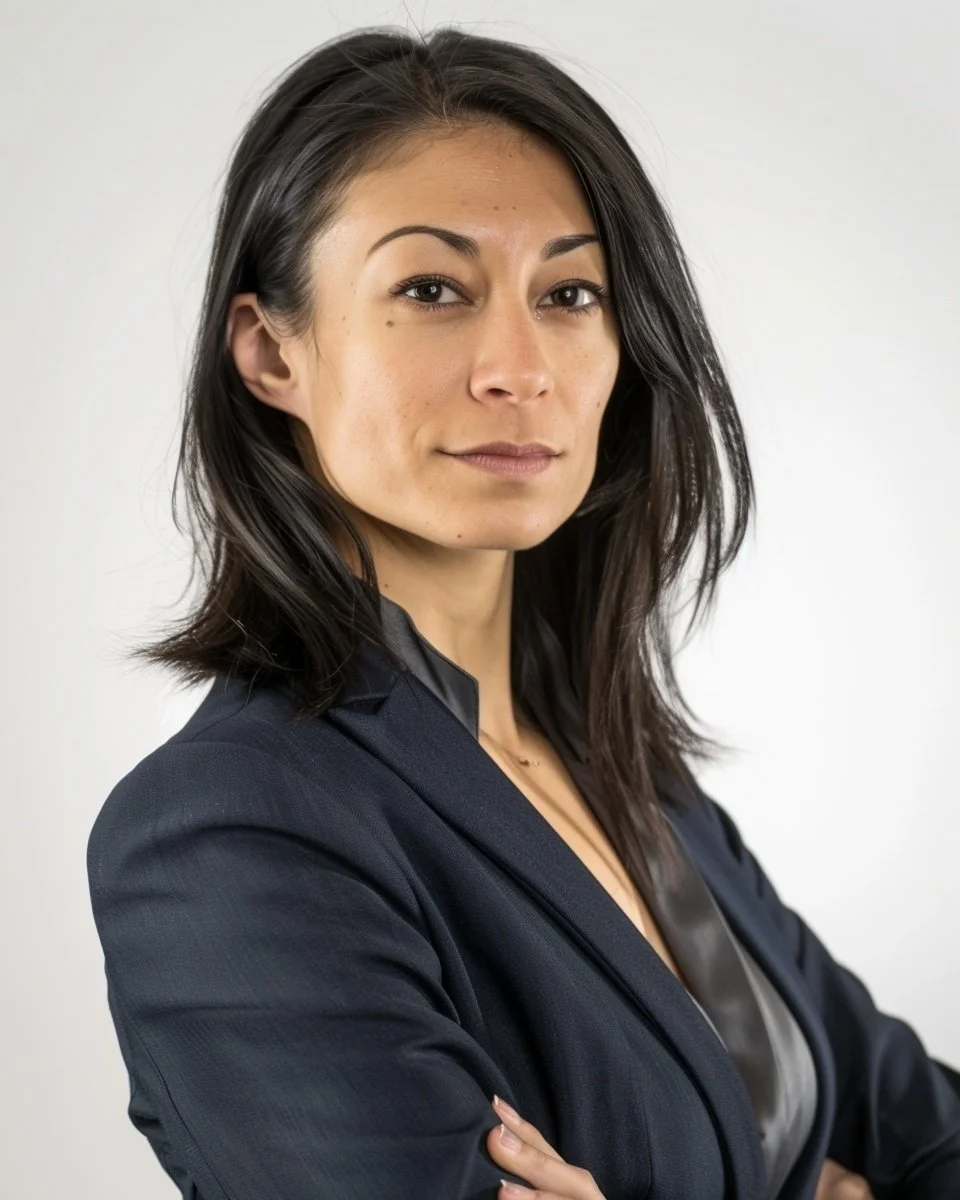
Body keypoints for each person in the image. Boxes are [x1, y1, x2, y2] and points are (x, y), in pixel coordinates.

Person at [85, 25, 960, 1200]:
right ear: (269, 352)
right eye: (432, 289)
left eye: (569, 291)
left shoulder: (632, 781)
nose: (519, 364)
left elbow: (929, 1132)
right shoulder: (225, 836)